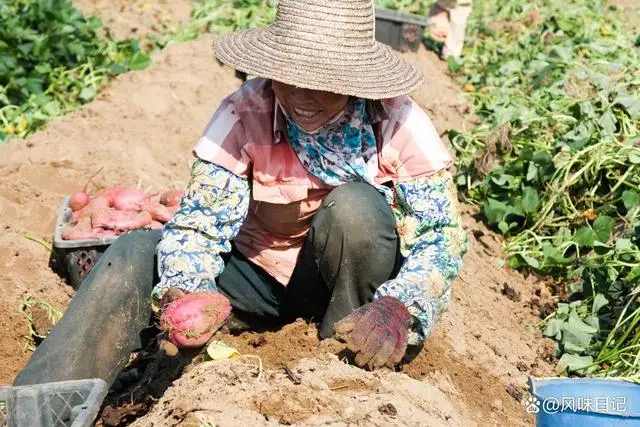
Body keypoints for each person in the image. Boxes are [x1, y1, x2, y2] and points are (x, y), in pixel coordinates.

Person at [14, 0, 467, 388]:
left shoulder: (396, 121)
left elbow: (442, 235)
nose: (304, 95)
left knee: (356, 210)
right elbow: (199, 222)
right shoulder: (247, 110)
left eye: (324, 81)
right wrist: (185, 292)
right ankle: (45, 398)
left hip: (345, 290)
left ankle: (344, 370)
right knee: (136, 250)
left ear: (356, 81)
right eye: (291, 77)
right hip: (256, 276)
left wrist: (401, 305)